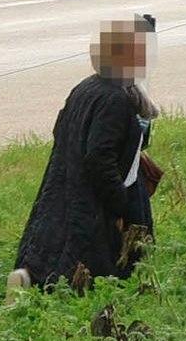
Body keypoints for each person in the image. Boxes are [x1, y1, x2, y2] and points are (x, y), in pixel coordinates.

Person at [13, 17, 162, 292]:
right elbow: (100, 158)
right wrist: (118, 204)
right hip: (97, 196)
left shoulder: (87, 88)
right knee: (95, 263)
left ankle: (28, 278)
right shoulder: (115, 99)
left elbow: (62, 131)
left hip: (68, 185)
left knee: (57, 246)